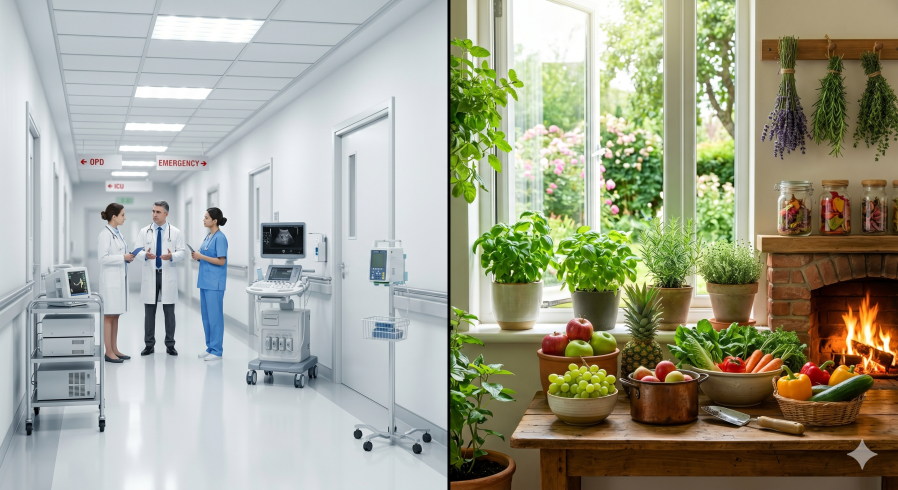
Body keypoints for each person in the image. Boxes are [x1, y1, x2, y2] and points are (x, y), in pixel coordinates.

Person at [135, 201, 187, 356]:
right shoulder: (144, 231)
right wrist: (145, 255)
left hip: (167, 273)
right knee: (149, 312)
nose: (154, 215)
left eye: (158, 212)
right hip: (151, 274)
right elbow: (137, 250)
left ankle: (170, 344)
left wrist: (172, 256)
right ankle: (149, 345)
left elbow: (182, 252)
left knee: (169, 312)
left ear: (166, 214)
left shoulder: (175, 232)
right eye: (153, 211)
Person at [97, 203, 135, 363]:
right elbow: (103, 258)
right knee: (108, 316)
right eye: (123, 215)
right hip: (110, 282)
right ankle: (108, 352)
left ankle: (115, 349)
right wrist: (122, 258)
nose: (125, 218)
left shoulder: (118, 233)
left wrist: (127, 257)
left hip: (119, 280)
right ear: (114, 217)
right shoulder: (105, 235)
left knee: (116, 316)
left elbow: (119, 254)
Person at [192, 207, 228, 361]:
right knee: (206, 317)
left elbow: (221, 261)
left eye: (206, 217)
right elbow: (206, 255)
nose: (203, 219)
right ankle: (210, 347)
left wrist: (202, 256)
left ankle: (217, 350)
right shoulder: (208, 237)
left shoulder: (220, 238)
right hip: (205, 282)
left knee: (215, 317)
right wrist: (198, 257)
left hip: (215, 283)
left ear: (214, 221)